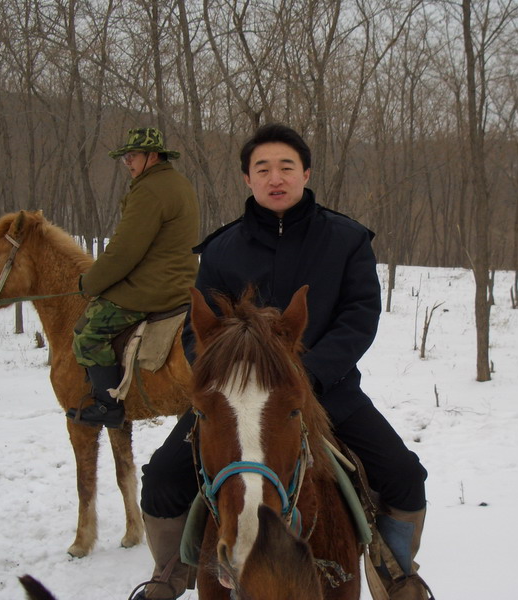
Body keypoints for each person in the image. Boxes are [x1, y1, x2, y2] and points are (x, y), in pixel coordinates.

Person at [135, 124, 430, 600]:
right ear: (247, 179)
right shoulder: (220, 249)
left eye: (286, 167)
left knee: (404, 475)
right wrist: (222, 376)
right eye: (262, 168)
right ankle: (171, 571)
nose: (276, 177)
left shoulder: (347, 240)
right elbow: (199, 330)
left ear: (306, 173)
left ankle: (394, 570)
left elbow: (359, 316)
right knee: (163, 477)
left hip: (326, 390)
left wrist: (306, 375)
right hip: (234, 398)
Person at [68, 127, 199, 429]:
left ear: (152, 156)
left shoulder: (149, 190)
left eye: (133, 156)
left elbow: (124, 251)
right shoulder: (178, 183)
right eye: (125, 156)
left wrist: (90, 284)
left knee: (88, 335)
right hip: (182, 281)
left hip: (153, 287)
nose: (127, 162)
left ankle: (108, 407)